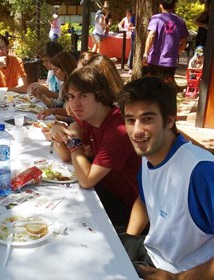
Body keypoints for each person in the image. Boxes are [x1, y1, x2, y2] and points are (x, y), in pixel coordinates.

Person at [117, 76, 214, 279]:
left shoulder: (201, 171)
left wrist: (178, 279)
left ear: (169, 120)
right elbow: (145, 200)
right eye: (130, 120)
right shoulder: (149, 152)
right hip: (152, 253)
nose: (136, 131)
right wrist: (128, 242)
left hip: (183, 272)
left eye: (147, 119)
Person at [49, 67, 140, 227]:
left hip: (127, 211)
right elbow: (65, 155)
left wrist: (74, 141)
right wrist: (56, 132)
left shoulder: (118, 128)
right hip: (104, 194)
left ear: (100, 96)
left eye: (83, 96)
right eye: (71, 96)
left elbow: (86, 180)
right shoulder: (90, 118)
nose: (75, 103)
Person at [142, 0, 188, 84]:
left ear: (161, 5)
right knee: (166, 87)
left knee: (152, 86)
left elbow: (151, 35)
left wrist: (145, 54)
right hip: (170, 62)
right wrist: (177, 53)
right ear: (173, 7)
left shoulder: (156, 18)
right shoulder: (180, 21)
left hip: (154, 60)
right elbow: (184, 42)